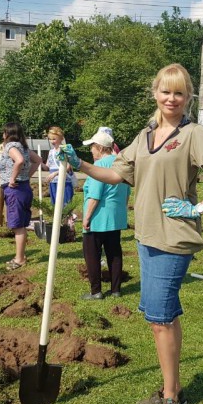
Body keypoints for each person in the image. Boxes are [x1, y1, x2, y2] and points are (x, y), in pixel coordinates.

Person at [60, 63, 203, 404]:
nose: (171, 98)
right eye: (165, 91)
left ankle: (172, 396)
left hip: (174, 238)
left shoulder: (193, 135)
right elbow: (116, 174)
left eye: (179, 92)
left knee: (159, 318)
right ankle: (168, 389)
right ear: (155, 93)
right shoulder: (144, 137)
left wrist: (199, 207)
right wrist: (79, 163)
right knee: (164, 315)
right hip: (145, 235)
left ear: (188, 97)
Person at [80, 129, 131, 300]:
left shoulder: (99, 167)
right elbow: (127, 192)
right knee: (114, 253)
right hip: (115, 217)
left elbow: (95, 195)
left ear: (100, 148)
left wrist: (86, 217)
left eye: (92, 147)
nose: (90, 150)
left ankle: (96, 291)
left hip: (98, 218)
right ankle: (116, 289)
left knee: (92, 254)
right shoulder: (121, 163)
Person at [0, 122, 45, 270]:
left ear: (8, 134)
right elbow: (38, 160)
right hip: (24, 188)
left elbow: (20, 161)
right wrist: (26, 176)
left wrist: (12, 178)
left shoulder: (10, 146)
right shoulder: (24, 147)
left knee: (18, 226)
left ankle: (20, 259)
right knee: (20, 225)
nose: (2, 135)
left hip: (15, 190)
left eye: (4, 132)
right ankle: (20, 256)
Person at [45, 126, 75, 205]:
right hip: (53, 182)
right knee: (56, 206)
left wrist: (55, 174)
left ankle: (69, 217)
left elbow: (68, 167)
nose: (52, 141)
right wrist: (38, 161)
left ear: (61, 138)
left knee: (66, 206)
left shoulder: (65, 149)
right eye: (50, 139)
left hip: (64, 182)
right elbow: (47, 166)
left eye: (54, 139)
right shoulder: (51, 152)